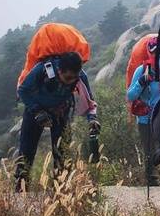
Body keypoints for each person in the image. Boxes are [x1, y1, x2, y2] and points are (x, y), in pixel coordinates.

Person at [15, 50, 99, 190]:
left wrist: (92, 119)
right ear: (59, 70)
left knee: (62, 153)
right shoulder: (43, 69)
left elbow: (90, 100)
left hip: (60, 112)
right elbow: (23, 91)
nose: (71, 81)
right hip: (35, 111)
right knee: (26, 152)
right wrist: (37, 111)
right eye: (68, 78)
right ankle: (20, 191)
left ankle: (61, 191)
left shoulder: (80, 76)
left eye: (74, 78)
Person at [126, 37, 160, 185]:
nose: (157, 55)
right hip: (146, 118)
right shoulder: (141, 71)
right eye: (154, 52)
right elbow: (130, 95)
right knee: (149, 149)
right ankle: (152, 178)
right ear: (149, 52)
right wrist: (141, 82)